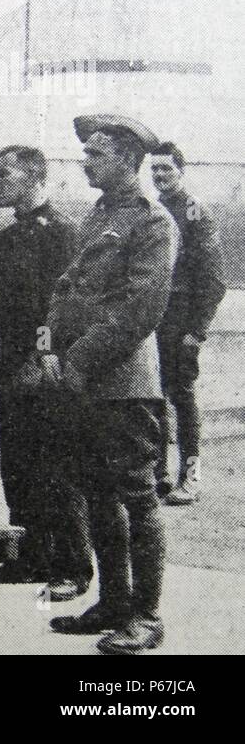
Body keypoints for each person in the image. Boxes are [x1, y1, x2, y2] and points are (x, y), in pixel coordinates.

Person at [46, 115, 175, 655]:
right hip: (83, 378)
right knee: (97, 492)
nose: (85, 161)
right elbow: (71, 286)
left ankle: (146, 616)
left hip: (122, 382)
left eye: (96, 153)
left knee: (137, 497)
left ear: (126, 159)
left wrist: (75, 358)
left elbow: (136, 310)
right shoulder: (102, 212)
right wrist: (51, 342)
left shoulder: (152, 221)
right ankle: (114, 601)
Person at [0, 146, 92, 600]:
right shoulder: (8, 237)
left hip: (46, 365)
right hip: (12, 361)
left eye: (4, 175)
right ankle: (31, 556)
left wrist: (42, 353)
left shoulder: (61, 234)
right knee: (18, 463)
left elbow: (61, 301)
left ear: (33, 177)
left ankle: (72, 566)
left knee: (57, 466)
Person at [150, 141, 226, 504]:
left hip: (181, 324)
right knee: (154, 396)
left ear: (181, 170)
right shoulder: (153, 209)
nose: (160, 175)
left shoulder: (195, 212)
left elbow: (212, 280)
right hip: (154, 321)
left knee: (182, 397)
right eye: (155, 170)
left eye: (166, 169)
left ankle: (190, 477)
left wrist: (197, 330)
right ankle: (159, 475)